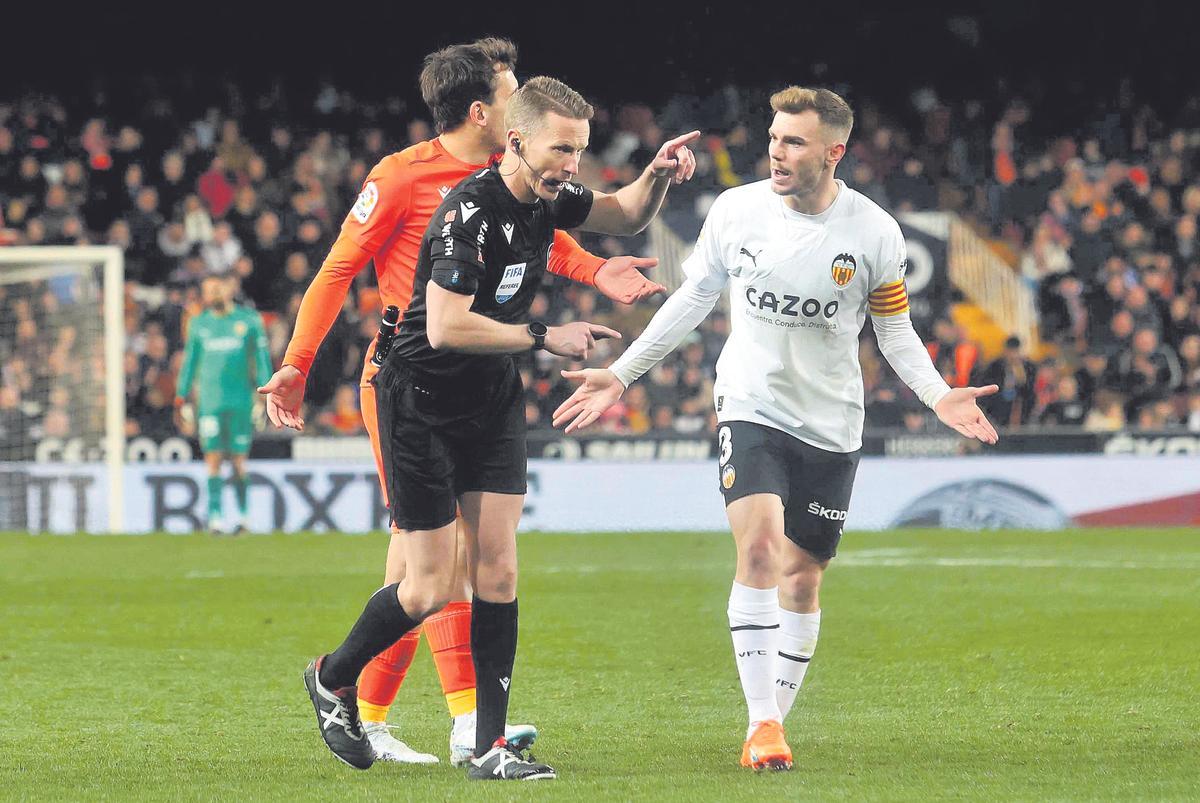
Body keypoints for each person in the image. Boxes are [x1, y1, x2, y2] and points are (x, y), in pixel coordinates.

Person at [552, 86, 998, 772]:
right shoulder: (737, 211)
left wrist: (938, 396)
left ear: (833, 152)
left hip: (831, 422)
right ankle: (764, 724)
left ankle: (771, 720)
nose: (777, 152)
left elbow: (894, 329)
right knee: (759, 550)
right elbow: (694, 298)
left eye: (794, 141)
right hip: (751, 404)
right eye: (774, 137)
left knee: (802, 580)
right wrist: (623, 373)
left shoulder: (874, 231)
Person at [258, 38, 670, 767]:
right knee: (428, 574)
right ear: (495, 118)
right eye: (513, 94)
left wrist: (608, 256)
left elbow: (558, 236)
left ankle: (476, 735)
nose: (570, 156)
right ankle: (347, 686)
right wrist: (296, 363)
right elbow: (340, 270)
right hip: (413, 380)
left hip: (491, 376)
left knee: (490, 565)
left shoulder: (534, 183)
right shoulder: (419, 185)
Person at [174, 274, 272, 533]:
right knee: (213, 459)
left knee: (239, 461)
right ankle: (216, 519)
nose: (213, 295)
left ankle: (243, 518)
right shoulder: (198, 324)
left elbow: (261, 361)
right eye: (208, 291)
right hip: (210, 403)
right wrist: (182, 397)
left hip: (240, 401)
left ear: (228, 289)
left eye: (217, 289)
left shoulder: (249, 322)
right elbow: (190, 363)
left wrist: (264, 395)